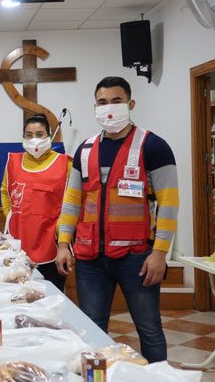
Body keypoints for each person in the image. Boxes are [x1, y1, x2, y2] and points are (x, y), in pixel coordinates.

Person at [55, 76, 179, 363]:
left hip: (137, 258)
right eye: (102, 102)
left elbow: (169, 204)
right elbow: (72, 201)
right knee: (92, 331)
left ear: (131, 104)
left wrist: (160, 253)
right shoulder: (84, 150)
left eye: (116, 101)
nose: (109, 108)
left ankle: (157, 376)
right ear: (94, 107)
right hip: (90, 259)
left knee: (149, 330)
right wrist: (63, 244)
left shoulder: (154, 146)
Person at [0, 114, 71, 291]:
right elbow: (5, 191)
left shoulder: (65, 163)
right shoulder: (13, 162)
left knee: (50, 298)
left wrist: (59, 232)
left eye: (40, 134)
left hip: (51, 245)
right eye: (29, 135)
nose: (34, 140)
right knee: (17, 298)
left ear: (49, 135)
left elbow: (72, 203)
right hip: (18, 244)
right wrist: (10, 216)